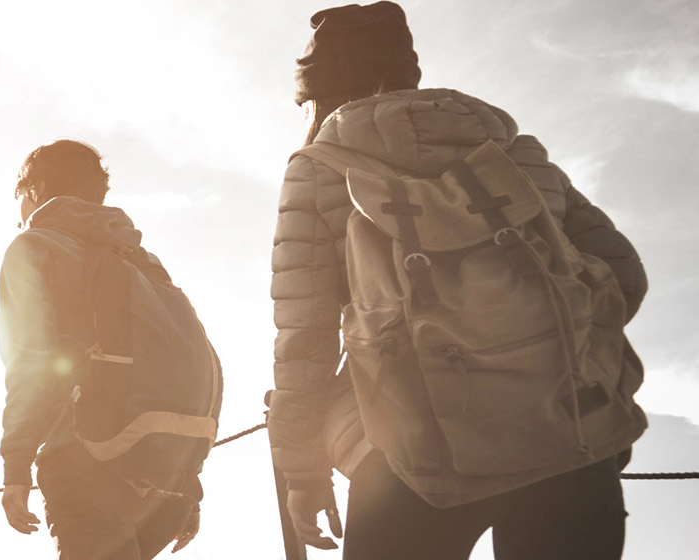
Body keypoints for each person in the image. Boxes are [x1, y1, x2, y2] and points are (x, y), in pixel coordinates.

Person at [270, 3, 650, 559]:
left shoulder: (318, 168)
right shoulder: (511, 151)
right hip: (567, 436)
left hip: (405, 456)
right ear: (408, 69)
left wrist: (303, 472)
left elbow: (304, 338)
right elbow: (623, 276)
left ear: (319, 87)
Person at [0, 140, 218, 560]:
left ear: (36, 189)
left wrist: (16, 466)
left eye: (21, 196)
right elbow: (185, 360)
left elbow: (30, 359)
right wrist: (188, 485)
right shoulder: (140, 258)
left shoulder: (34, 247)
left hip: (86, 461)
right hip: (163, 476)